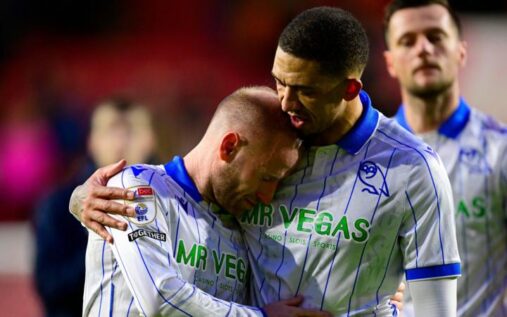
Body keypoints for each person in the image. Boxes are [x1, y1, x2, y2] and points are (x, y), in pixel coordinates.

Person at [71, 7, 461, 316]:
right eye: (279, 82)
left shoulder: (413, 170)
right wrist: (81, 198)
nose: (287, 103)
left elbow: (434, 307)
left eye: (304, 90)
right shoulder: (270, 142)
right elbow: (179, 191)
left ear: (350, 88)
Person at [78, 86, 333, 316]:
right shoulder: (137, 187)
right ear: (229, 147)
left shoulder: (241, 223)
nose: (267, 196)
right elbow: (160, 298)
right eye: (266, 177)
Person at [383, 0, 507, 315]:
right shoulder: (369, 159)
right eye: (407, 41)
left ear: (461, 51)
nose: (423, 49)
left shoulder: (500, 151)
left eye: (436, 37)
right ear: (390, 62)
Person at [34, 98, 157, 316]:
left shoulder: (172, 202)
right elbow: (50, 288)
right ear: (92, 141)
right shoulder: (59, 204)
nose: (121, 142)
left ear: (151, 140)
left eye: (131, 130)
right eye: (111, 130)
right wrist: (105, 237)